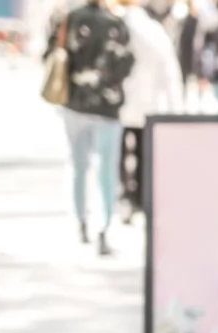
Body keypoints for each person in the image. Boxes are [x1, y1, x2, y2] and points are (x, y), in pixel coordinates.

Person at [45, 0, 135, 255]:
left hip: (75, 102)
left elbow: (52, 53)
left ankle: (81, 221)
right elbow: (126, 63)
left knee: (78, 165)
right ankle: (103, 227)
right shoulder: (116, 24)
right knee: (106, 169)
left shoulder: (69, 19)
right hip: (107, 107)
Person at [117, 0, 184, 222]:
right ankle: (140, 198)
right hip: (146, 104)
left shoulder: (117, 23)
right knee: (143, 154)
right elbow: (170, 70)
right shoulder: (151, 29)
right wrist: (176, 109)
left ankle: (125, 196)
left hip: (118, 103)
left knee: (119, 154)